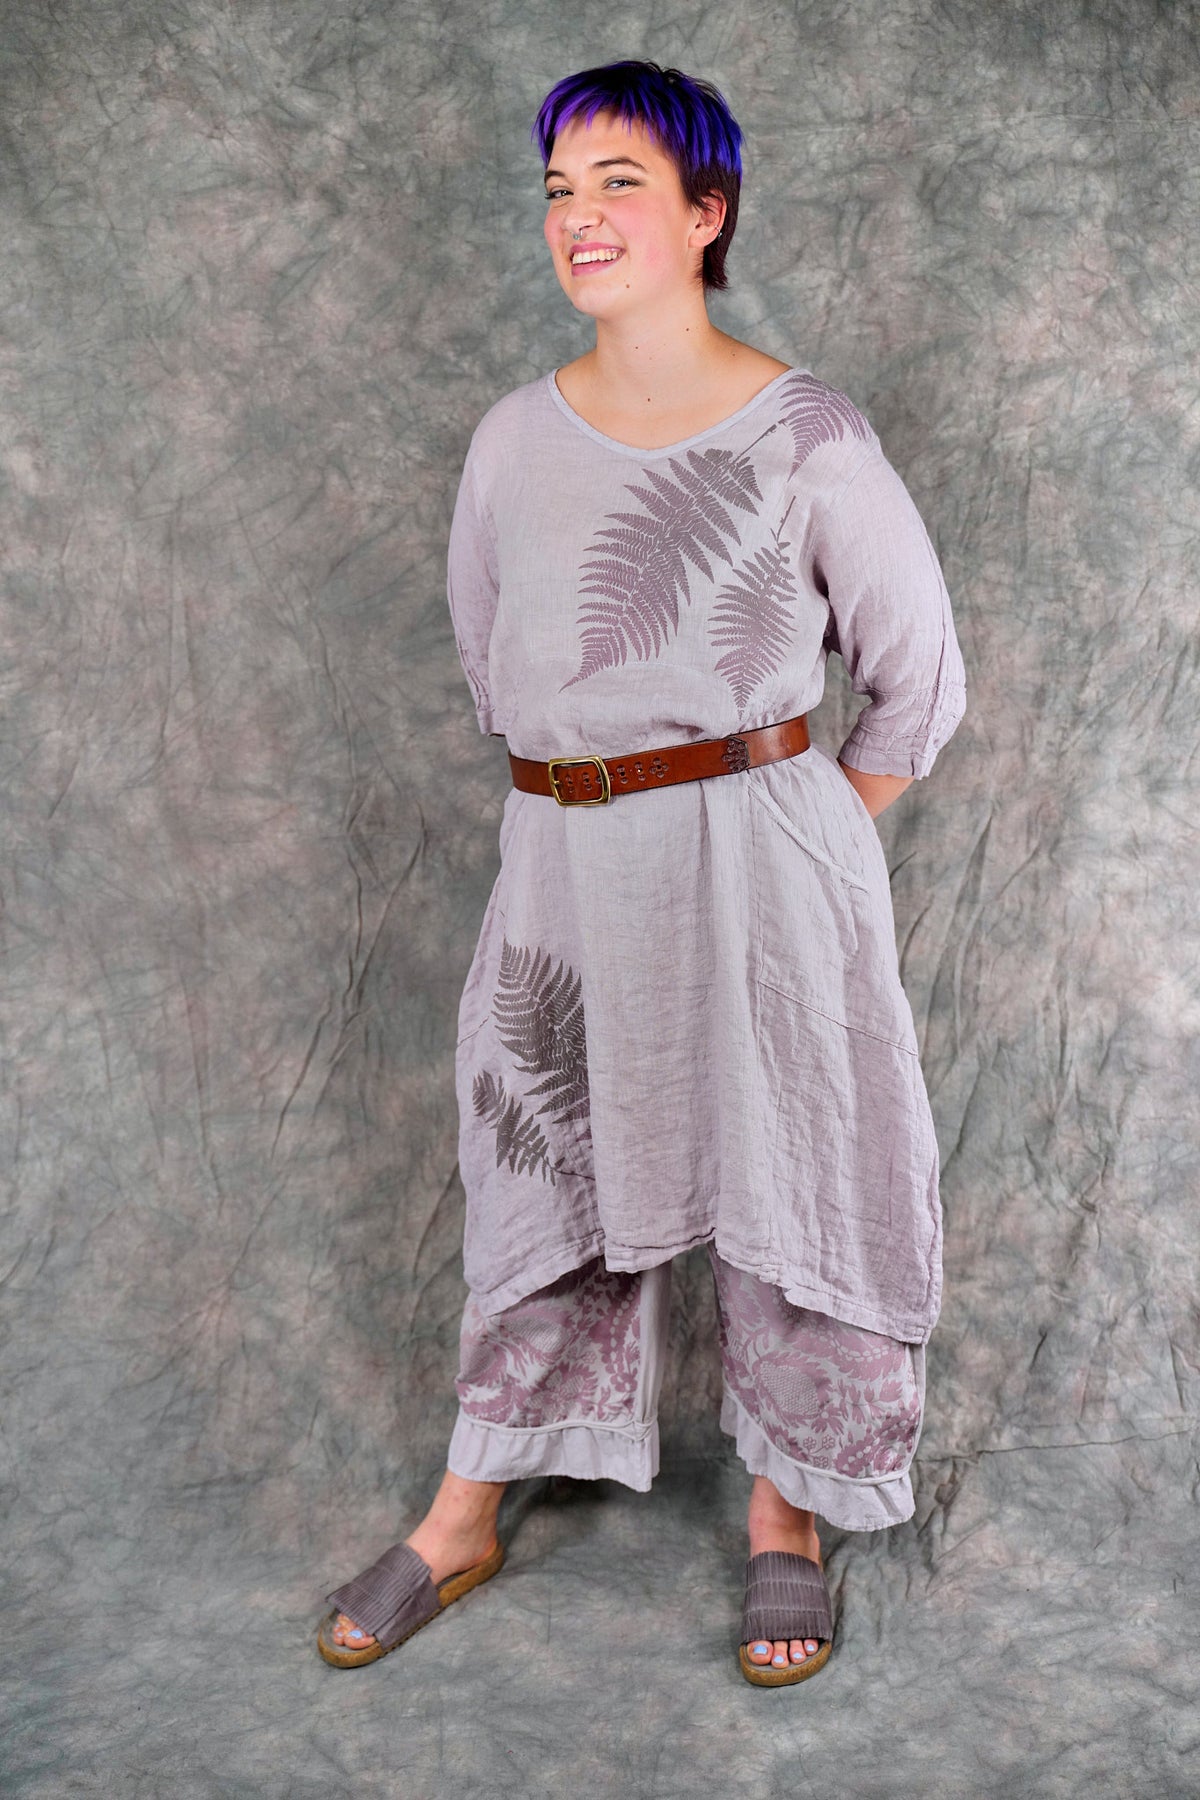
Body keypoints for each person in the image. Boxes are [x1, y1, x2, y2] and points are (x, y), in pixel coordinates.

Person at [317, 58, 967, 1686]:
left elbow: (919, 681)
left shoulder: (810, 432)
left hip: (767, 866)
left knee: (792, 1165)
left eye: (621, 183)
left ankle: (786, 1511)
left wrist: (808, 839)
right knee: (544, 1159)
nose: (581, 217)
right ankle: (469, 1507)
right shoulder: (508, 442)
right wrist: (604, 799)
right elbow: (501, 675)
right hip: (565, 863)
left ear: (705, 213)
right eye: (559, 189)